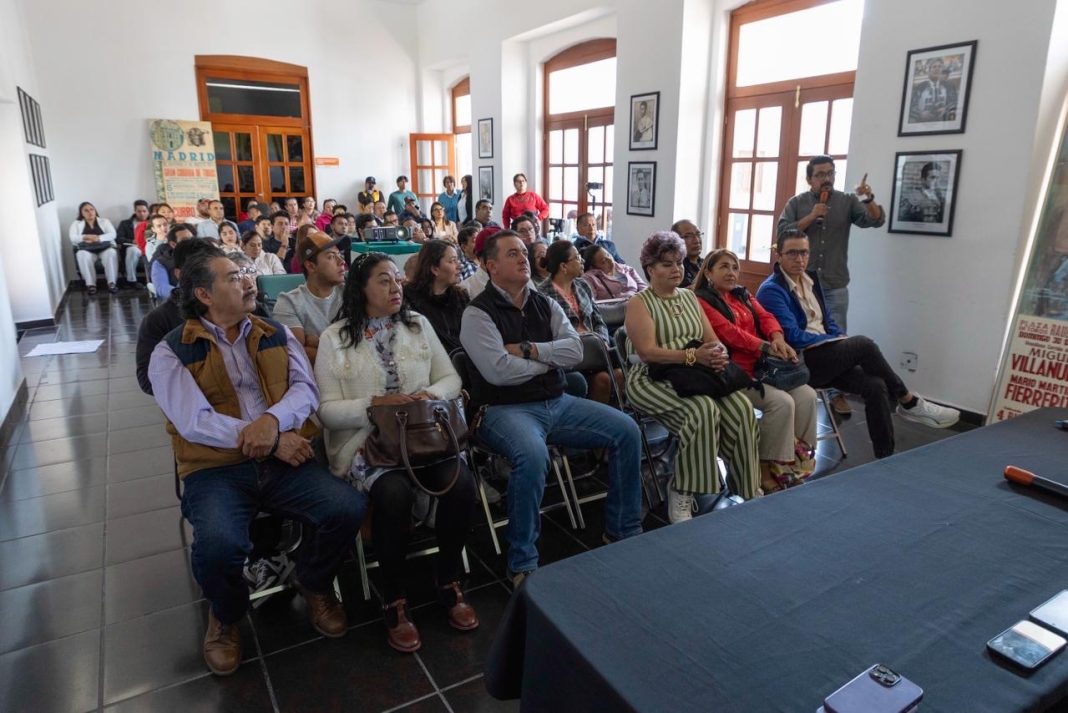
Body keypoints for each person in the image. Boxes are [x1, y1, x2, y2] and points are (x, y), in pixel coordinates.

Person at [147, 251, 364, 676]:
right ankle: (226, 616)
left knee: (347, 508)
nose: (249, 282)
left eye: (247, 274)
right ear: (204, 294)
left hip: (282, 454)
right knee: (218, 547)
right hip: (216, 468)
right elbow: (194, 422)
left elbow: (306, 391)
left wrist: (272, 423)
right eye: (235, 277)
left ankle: (314, 581)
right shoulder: (172, 351)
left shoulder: (276, 332)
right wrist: (268, 438)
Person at [315, 252, 478, 651]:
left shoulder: (417, 324)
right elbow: (326, 412)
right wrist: (375, 407)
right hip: (368, 442)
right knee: (393, 493)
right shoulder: (334, 338)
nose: (395, 288)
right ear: (361, 289)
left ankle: (448, 580)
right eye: (384, 281)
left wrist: (425, 397)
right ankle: (394, 597)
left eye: (397, 281)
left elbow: (450, 378)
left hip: (424, 434)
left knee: (462, 487)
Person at [459, 230, 644, 583]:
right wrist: (550, 358)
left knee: (627, 430)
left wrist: (529, 350)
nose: (522, 258)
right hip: (502, 411)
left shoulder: (545, 303)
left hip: (555, 401)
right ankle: (522, 561)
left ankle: (623, 531)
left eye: (523, 253)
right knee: (533, 455)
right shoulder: (477, 314)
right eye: (512, 254)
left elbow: (576, 351)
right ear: (491, 265)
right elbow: (498, 372)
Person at [757, 230, 960, 459]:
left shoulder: (811, 280)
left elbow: (828, 321)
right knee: (863, 344)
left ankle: (885, 456)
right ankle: (908, 400)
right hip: (801, 362)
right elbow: (793, 336)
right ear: (779, 255)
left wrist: (836, 337)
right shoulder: (772, 290)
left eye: (804, 252)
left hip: (827, 358)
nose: (799, 259)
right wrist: (835, 341)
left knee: (876, 385)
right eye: (792, 253)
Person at [623, 231, 761, 523]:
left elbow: (711, 340)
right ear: (650, 269)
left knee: (741, 407)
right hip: (651, 377)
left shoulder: (688, 297)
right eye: (667, 264)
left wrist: (718, 353)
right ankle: (681, 491)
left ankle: (749, 489)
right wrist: (692, 356)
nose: (676, 269)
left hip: (695, 375)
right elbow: (647, 353)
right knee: (702, 410)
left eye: (679, 262)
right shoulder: (639, 302)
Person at [692, 249, 818, 492]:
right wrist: (765, 346)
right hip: (734, 372)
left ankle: (793, 462)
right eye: (724, 267)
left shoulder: (742, 295)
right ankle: (762, 467)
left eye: (735, 267)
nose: (731, 272)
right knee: (782, 403)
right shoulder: (701, 300)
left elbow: (767, 316)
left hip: (764, 368)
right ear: (708, 272)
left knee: (808, 396)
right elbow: (728, 332)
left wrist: (778, 337)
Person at [777, 155, 885, 415]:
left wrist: (868, 200)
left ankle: (837, 394)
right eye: (820, 175)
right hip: (803, 284)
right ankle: (803, 384)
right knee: (803, 335)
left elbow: (875, 221)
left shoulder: (847, 201)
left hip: (834, 283)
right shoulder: (797, 203)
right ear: (809, 179)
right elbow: (783, 233)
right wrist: (812, 216)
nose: (826, 179)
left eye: (830, 173)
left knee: (838, 342)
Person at [538, 240, 619, 404]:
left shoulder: (583, 285)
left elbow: (598, 319)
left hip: (594, 348)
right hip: (570, 355)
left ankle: (615, 417)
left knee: (619, 373)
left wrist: (602, 338)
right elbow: (548, 333)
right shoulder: (542, 294)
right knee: (603, 378)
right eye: (576, 258)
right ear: (563, 267)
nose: (582, 261)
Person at [273, 230, 346, 364]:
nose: (341, 261)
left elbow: (365, 343)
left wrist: (319, 344)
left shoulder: (350, 293)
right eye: (331, 256)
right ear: (311, 266)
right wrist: (344, 350)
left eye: (339, 255)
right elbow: (297, 356)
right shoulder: (289, 302)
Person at [402, 239, 470, 353]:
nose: (460, 266)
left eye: (458, 260)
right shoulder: (408, 299)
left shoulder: (461, 297)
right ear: (434, 269)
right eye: (452, 261)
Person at [69, 201, 118, 295]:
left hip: (104, 248)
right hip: (87, 250)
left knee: (111, 253)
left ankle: (112, 283)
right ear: (81, 213)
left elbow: (113, 234)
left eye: (92, 209)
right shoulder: (76, 224)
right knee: (81, 254)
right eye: (86, 210)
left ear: (95, 210)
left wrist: (98, 238)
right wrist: (85, 237)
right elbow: (73, 238)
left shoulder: (105, 221)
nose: (90, 212)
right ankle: (91, 285)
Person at [581, 244, 647, 300]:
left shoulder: (627, 269)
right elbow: (592, 304)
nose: (610, 260)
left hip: (638, 306)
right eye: (604, 261)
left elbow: (645, 290)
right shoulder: (589, 278)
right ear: (593, 267)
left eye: (608, 255)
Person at [151, 223, 196, 300]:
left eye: (192, 239)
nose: (191, 242)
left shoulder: (204, 256)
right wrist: (182, 294)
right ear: (173, 244)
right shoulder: (161, 263)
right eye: (185, 240)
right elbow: (162, 288)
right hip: (181, 301)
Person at [908, 57, 958, 124]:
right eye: (934, 67)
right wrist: (921, 114)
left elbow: (955, 103)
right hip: (922, 125)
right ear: (929, 70)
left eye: (939, 67)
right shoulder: (920, 87)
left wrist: (946, 109)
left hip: (943, 125)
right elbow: (911, 107)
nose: (937, 69)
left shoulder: (949, 86)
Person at [116, 199, 149, 286]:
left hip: (150, 246)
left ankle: (153, 280)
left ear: (148, 211)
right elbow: (119, 238)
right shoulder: (125, 223)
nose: (142, 213)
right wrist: (132, 241)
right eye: (139, 211)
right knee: (132, 250)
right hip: (135, 246)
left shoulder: (154, 222)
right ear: (135, 211)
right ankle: (132, 280)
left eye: (144, 211)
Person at [670, 219, 705, 288]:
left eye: (698, 234)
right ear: (676, 240)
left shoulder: (706, 263)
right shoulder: (674, 267)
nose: (696, 240)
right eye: (688, 236)